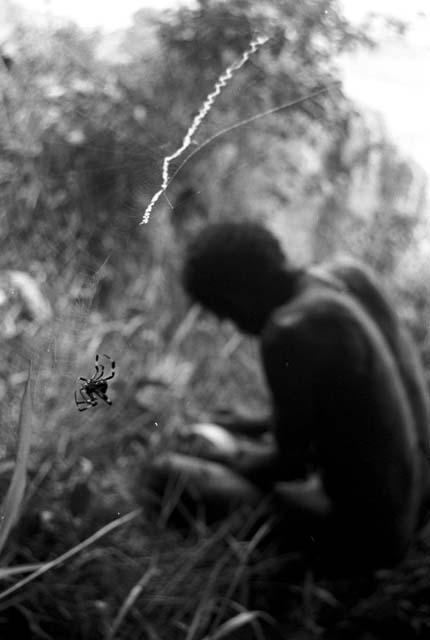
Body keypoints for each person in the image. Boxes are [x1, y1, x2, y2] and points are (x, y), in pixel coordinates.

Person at [149, 221, 430, 570]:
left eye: (226, 314)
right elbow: (351, 406)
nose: (233, 325)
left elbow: (287, 467)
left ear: (237, 297)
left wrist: (227, 456)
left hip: (371, 541)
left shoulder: (289, 330)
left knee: (164, 472)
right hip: (415, 502)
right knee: (226, 440)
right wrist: (251, 423)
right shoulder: (346, 278)